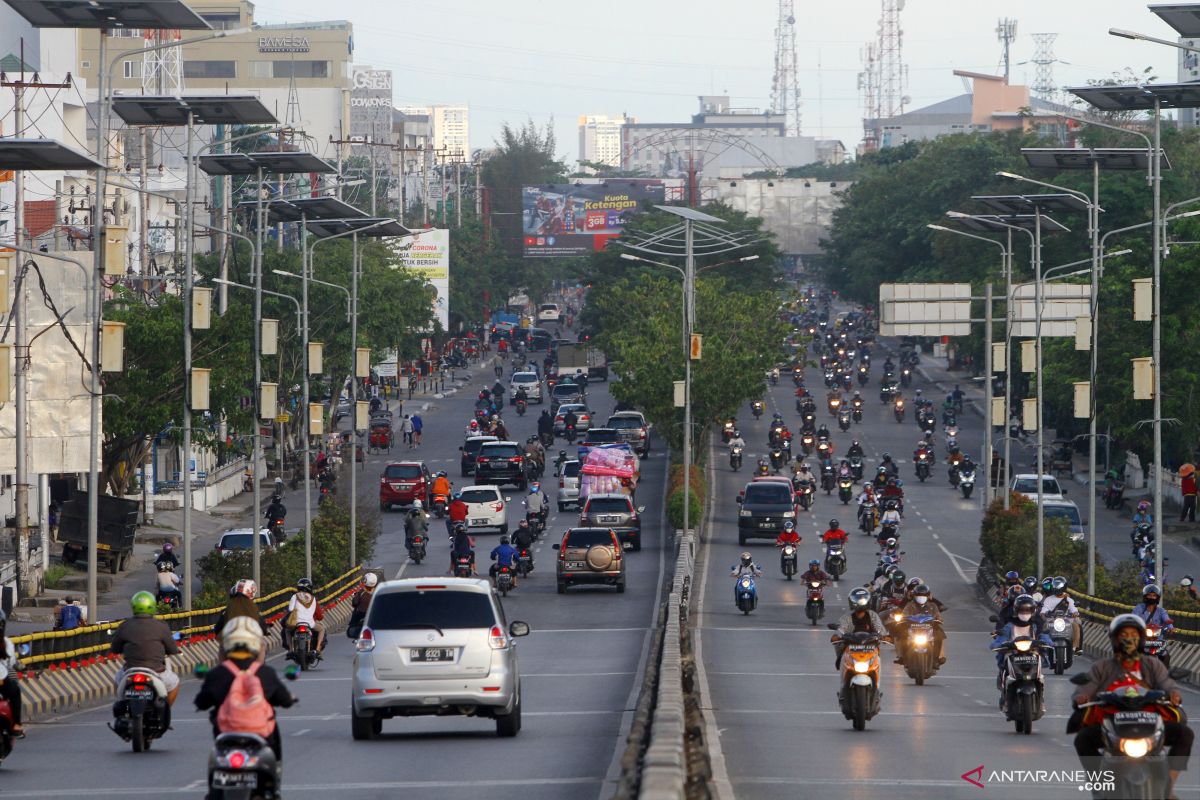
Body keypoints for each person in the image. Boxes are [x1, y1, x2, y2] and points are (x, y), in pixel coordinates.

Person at [1072, 615, 1193, 793]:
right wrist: (1082, 697)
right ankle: (1099, 783)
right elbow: (1087, 687)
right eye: (1123, 634)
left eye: (1133, 634)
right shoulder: (1103, 667)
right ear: (1114, 639)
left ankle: (1169, 786)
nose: (1128, 638)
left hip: (1150, 721)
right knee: (1082, 739)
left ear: (1141, 638)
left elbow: (1167, 684)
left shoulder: (1153, 665)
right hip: (1113, 722)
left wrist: (1173, 694)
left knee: (1185, 734)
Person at [194, 617, 295, 764]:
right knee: (273, 726)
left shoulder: (217, 674)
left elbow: (202, 702)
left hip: (226, 731)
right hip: (260, 732)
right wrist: (290, 700)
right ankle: (276, 765)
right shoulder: (264, 673)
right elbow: (284, 700)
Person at [111, 591, 181, 709]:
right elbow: (172, 649)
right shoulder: (161, 626)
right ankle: (166, 711)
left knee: (117, 680)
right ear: (153, 606)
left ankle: (122, 705)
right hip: (156, 671)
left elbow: (115, 648)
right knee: (175, 683)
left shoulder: (125, 625)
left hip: (130, 670)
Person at [991, 594, 1053, 674]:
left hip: (1032, 650)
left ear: (1033, 610)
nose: (1025, 612)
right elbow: (1002, 637)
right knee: (1003, 657)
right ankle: (1003, 673)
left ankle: (1039, 678)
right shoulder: (1010, 625)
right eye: (1022, 610)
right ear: (1016, 610)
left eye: (1028, 610)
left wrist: (1045, 642)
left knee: (1041, 656)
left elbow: (1044, 635)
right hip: (1013, 650)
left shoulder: (1037, 624)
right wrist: (1000, 644)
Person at [833, 588, 888, 670]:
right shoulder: (847, 617)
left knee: (877, 660)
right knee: (838, 645)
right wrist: (837, 635)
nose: (860, 603)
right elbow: (841, 628)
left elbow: (879, 627)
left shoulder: (873, 615)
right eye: (857, 600)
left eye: (863, 600)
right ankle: (840, 660)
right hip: (851, 646)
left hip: (870, 646)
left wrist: (884, 636)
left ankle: (876, 676)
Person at [897, 583, 946, 666]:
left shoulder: (933, 605)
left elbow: (938, 616)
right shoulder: (910, 605)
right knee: (901, 635)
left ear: (928, 595)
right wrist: (903, 620)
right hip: (913, 628)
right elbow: (904, 615)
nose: (921, 597)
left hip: (928, 628)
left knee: (939, 635)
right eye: (919, 595)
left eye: (924, 595)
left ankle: (937, 658)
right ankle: (902, 657)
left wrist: (938, 620)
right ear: (914, 595)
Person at [1039, 576, 1083, 655]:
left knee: (1077, 624)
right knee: (1042, 627)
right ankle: (1043, 648)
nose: (1057, 588)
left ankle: (1075, 648)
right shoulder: (1048, 599)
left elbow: (1074, 610)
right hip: (1052, 620)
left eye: (1059, 586)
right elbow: (1044, 611)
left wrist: (1075, 614)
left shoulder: (1069, 600)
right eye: (1055, 585)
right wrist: (1044, 616)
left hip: (1066, 620)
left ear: (1064, 587)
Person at [212, 580, 264, 644]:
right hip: (243, 643)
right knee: (262, 645)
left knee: (222, 647)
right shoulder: (253, 611)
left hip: (234, 643)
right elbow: (262, 627)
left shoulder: (226, 611)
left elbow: (217, 628)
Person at [283, 579, 325, 655]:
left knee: (287, 630)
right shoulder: (313, 598)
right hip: (310, 623)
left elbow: (290, 609)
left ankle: (290, 649)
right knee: (321, 629)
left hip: (296, 622)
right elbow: (319, 615)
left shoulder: (295, 596)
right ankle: (318, 649)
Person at [0, 611, 24, 736]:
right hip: (2, 681)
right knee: (15, 692)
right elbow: (11, 663)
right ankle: (16, 724)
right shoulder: (6, 642)